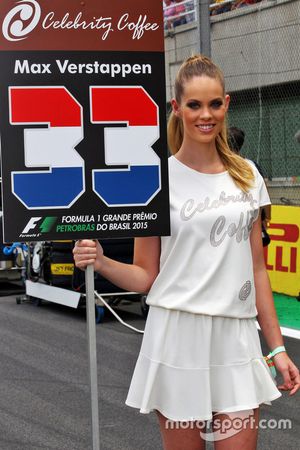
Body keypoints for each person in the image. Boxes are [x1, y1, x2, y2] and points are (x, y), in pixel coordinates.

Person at [73, 55, 300, 450]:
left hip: (236, 337)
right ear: (177, 108)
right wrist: (102, 260)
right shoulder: (156, 182)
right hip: (176, 336)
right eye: (194, 105)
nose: (205, 115)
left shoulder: (248, 177)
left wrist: (277, 347)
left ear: (227, 104)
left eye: (214, 104)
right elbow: (146, 277)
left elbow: (257, 270)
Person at [228, 126, 271, 245]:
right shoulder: (252, 165)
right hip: (252, 217)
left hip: (232, 221)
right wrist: (266, 218)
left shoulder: (218, 166)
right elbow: (264, 195)